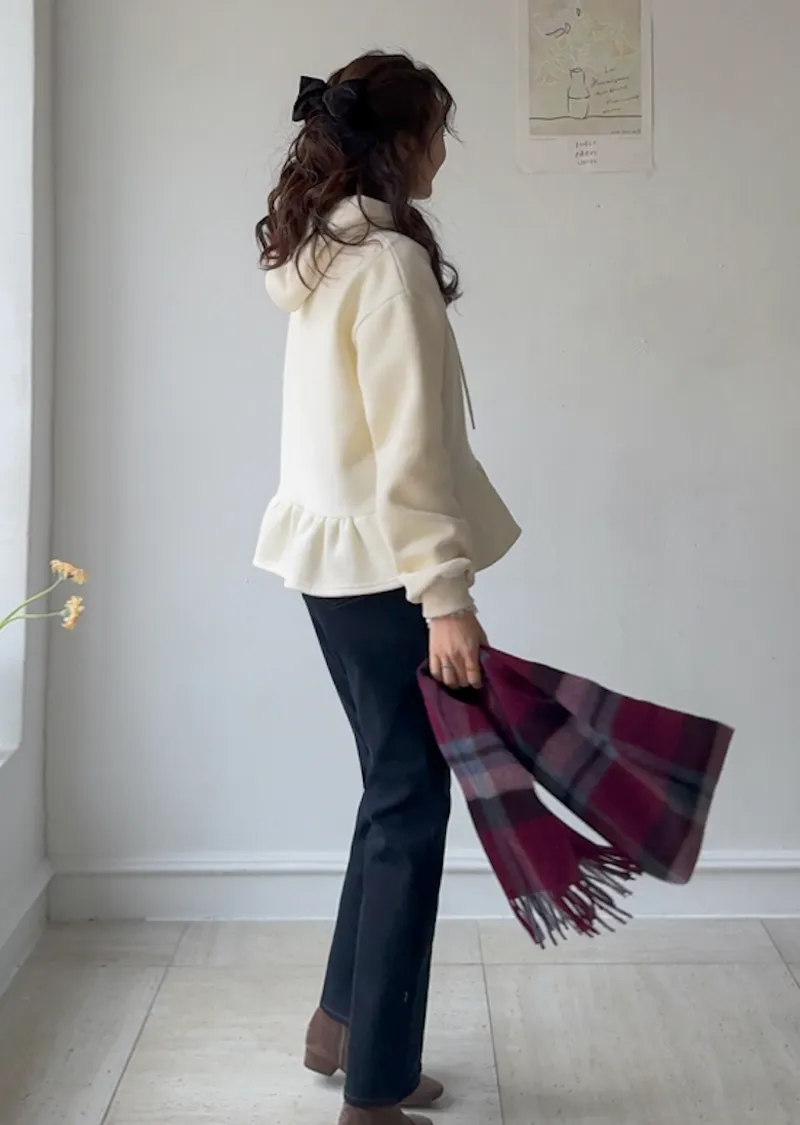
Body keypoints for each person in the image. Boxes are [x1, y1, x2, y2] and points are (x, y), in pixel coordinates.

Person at [254, 51, 520, 1125]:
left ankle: (341, 1025)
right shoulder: (390, 267)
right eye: (439, 132)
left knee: (390, 789)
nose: (444, 151)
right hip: (385, 572)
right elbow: (407, 452)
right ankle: (374, 1090)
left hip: (333, 566)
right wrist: (445, 594)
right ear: (403, 143)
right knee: (411, 802)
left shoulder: (322, 254)